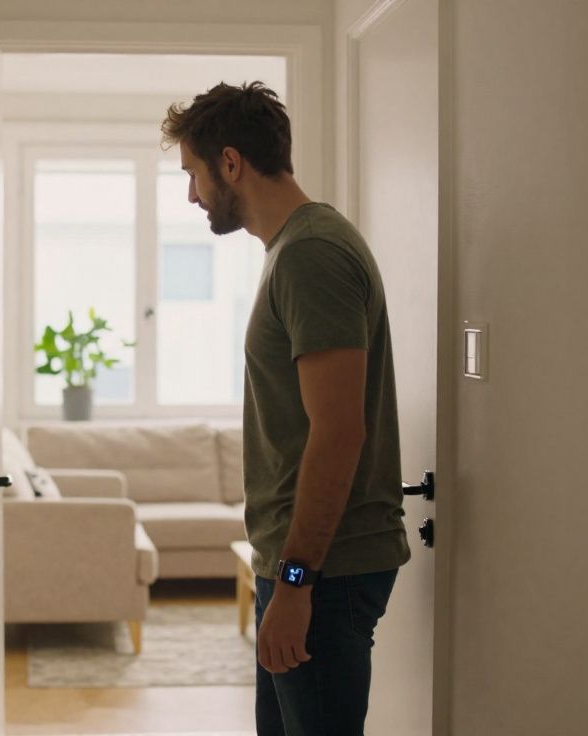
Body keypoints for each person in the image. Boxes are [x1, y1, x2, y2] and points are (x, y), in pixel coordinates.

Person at [162, 83, 409, 735]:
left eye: (192, 173)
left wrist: (297, 582)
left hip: (324, 572)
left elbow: (339, 432)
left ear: (231, 163)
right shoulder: (293, 249)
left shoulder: (311, 255)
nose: (192, 195)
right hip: (303, 566)